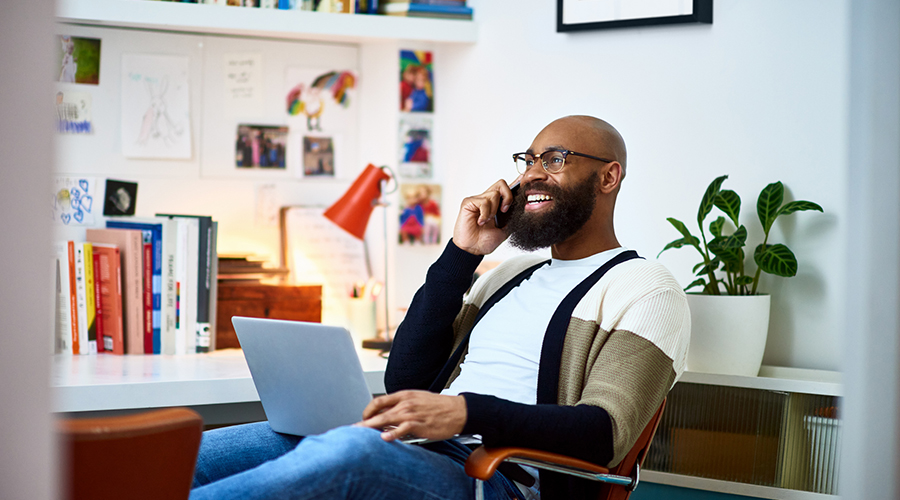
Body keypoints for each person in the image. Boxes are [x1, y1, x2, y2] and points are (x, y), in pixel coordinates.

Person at [190, 115, 690, 500]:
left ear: (608, 177)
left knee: (347, 452)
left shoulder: (644, 288)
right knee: (197, 451)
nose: (533, 175)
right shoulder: (507, 275)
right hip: (419, 449)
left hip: (497, 479)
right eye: (529, 160)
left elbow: (603, 433)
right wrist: (462, 254)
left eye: (555, 159)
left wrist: (464, 412)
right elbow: (405, 379)